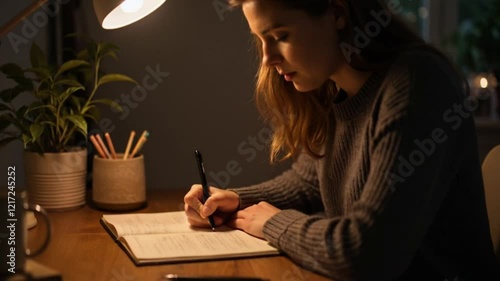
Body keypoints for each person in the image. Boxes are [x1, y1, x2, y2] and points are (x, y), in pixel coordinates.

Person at [184, 0, 500, 280]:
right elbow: (307, 184)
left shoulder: (418, 83)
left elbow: (370, 253)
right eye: (260, 40)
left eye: (280, 36)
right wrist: (236, 199)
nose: (267, 59)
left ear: (337, 14)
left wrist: (273, 223)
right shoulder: (337, 89)